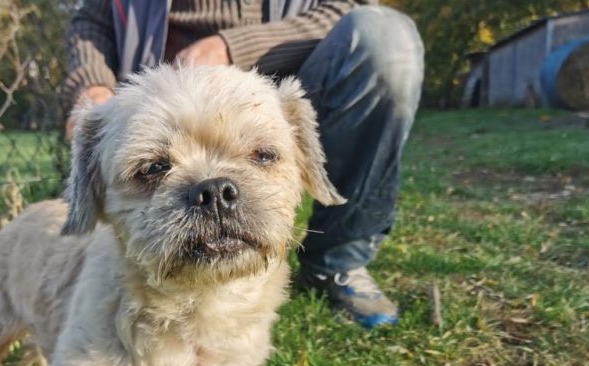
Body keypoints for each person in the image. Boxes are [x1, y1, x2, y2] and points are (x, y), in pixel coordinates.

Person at [63, 0, 424, 329]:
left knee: (386, 39)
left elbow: (351, 5)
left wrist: (234, 46)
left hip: (283, 77)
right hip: (152, 92)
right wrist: (93, 86)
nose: (215, 193)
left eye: (261, 156)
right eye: (155, 169)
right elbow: (91, 19)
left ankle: (338, 260)